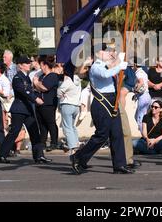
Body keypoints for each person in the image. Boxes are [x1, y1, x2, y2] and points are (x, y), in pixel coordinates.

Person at [70, 42, 132, 174]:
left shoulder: (105, 65)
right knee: (102, 135)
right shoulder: (95, 67)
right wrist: (120, 66)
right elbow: (105, 74)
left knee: (117, 134)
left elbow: (112, 66)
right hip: (101, 103)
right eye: (106, 51)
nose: (109, 53)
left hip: (112, 101)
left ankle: (119, 165)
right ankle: (78, 157)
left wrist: (121, 57)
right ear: (98, 53)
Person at [0, 56, 51, 164]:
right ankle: (1, 154)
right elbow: (23, 91)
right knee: (14, 132)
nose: (29, 64)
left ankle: (39, 156)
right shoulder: (17, 78)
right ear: (20, 65)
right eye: (26, 63)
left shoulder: (26, 78)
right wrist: (35, 98)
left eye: (29, 63)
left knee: (35, 132)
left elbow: (30, 91)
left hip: (28, 109)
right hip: (19, 109)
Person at [34, 56, 62, 151]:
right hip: (39, 103)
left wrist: (36, 83)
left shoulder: (53, 76)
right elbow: (37, 88)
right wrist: (38, 85)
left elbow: (45, 88)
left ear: (44, 65)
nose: (40, 67)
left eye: (41, 65)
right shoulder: (42, 76)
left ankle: (54, 142)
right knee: (42, 124)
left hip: (49, 103)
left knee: (50, 123)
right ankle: (43, 142)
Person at [57, 65, 82, 155]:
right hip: (76, 105)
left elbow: (59, 91)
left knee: (67, 127)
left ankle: (72, 148)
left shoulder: (68, 80)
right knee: (72, 126)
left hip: (67, 104)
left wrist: (61, 95)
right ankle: (76, 144)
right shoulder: (77, 79)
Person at [133, 58, 152, 133]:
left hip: (143, 97)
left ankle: (145, 137)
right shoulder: (143, 72)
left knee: (140, 118)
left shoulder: (138, 73)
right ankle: (146, 134)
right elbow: (146, 83)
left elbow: (141, 83)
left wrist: (135, 90)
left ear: (135, 65)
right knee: (138, 116)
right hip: (147, 96)